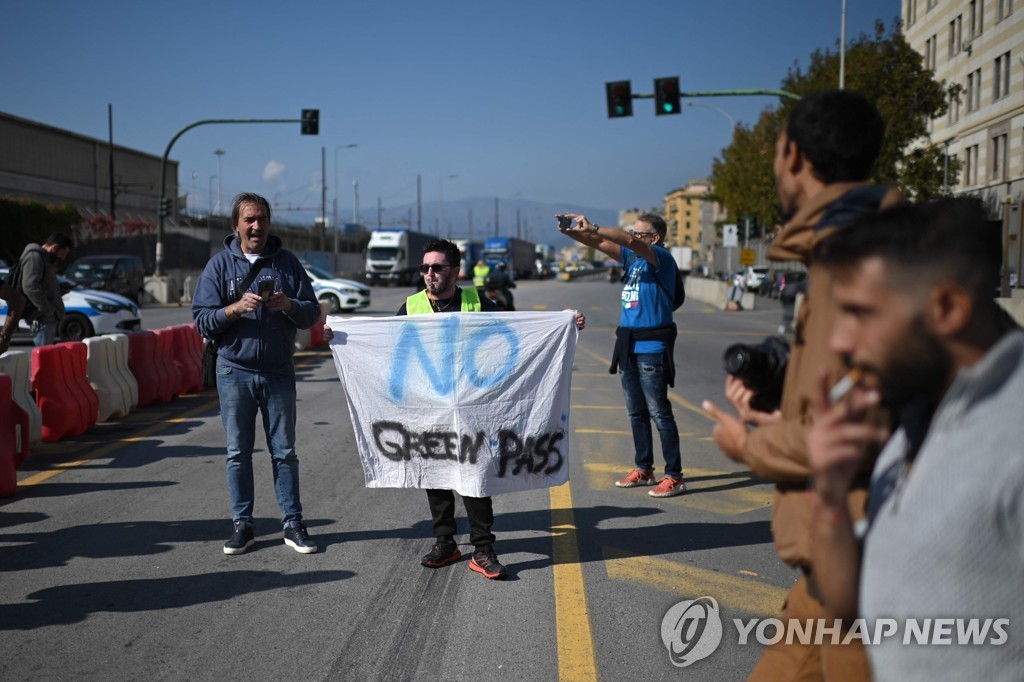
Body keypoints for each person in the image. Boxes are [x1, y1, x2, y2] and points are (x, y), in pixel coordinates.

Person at [701, 89, 902, 680]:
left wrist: (750, 446)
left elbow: (857, 433)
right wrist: (777, 412)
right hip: (829, 581)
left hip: (865, 581)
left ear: (791, 156)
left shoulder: (856, 264)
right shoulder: (852, 251)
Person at [807, 198, 1023, 679]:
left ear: (947, 307)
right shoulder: (915, 426)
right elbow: (847, 606)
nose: (840, 342)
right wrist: (830, 495)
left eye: (859, 313)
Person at [326, 239, 585, 579]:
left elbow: (517, 335)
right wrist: (341, 335)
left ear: (454, 271)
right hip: (427, 408)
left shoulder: (477, 302)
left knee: (475, 477)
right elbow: (388, 345)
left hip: (473, 410)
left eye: (437, 267)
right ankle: (445, 543)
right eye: (424, 268)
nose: (429, 274)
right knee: (434, 474)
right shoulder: (412, 306)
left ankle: (483, 548)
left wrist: (564, 325)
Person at [192, 193, 322, 556]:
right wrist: (234, 309)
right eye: (249, 219)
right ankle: (243, 524)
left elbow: (312, 313)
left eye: (262, 219)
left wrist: (289, 305)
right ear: (236, 225)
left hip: (279, 371)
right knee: (238, 452)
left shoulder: (287, 263)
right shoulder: (219, 267)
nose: (256, 226)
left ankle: (293, 523)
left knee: (285, 452)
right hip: (234, 372)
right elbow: (202, 318)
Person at [558, 212, 686, 498]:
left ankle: (675, 476)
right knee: (636, 412)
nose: (634, 237)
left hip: (653, 348)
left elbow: (623, 239)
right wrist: (571, 232)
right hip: (629, 346)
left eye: (640, 234)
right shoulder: (631, 259)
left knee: (660, 413)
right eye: (634, 232)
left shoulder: (660, 258)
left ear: (654, 238)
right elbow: (596, 243)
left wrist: (597, 227)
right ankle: (644, 468)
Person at [18, 233, 72, 346]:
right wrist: (48, 309)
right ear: (55, 247)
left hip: (45, 316)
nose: (62, 258)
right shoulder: (35, 257)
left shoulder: (44, 258)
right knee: (44, 355)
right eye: (62, 254)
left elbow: (43, 286)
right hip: (41, 317)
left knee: (46, 354)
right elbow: (30, 285)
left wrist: (59, 291)